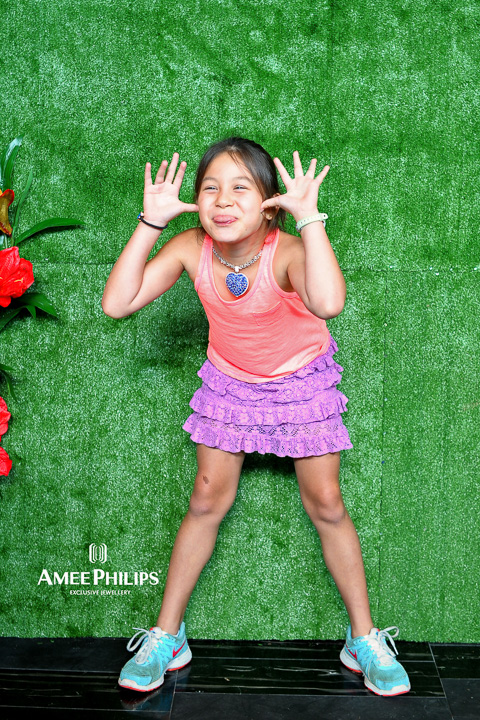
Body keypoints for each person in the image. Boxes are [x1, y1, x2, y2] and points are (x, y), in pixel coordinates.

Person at [102, 137, 411, 697]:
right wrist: (151, 224)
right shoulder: (190, 246)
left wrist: (310, 219)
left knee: (327, 503)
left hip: (301, 384)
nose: (223, 200)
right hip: (231, 384)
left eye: (241, 188)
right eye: (210, 188)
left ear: (270, 204)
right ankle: (168, 635)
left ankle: (362, 638)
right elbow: (117, 303)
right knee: (205, 500)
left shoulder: (286, 250)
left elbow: (329, 303)